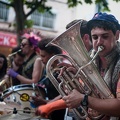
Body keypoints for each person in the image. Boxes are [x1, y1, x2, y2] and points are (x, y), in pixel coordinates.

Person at [62, 12, 120, 120]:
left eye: (105, 36)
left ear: (117, 35)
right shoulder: (89, 60)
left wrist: (84, 99)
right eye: (95, 37)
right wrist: (73, 82)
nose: (99, 42)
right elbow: (88, 92)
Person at [33, 38, 66, 120]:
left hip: (59, 113)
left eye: (43, 56)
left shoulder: (62, 70)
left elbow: (65, 94)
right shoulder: (49, 69)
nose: (41, 58)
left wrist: (46, 103)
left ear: (53, 55)